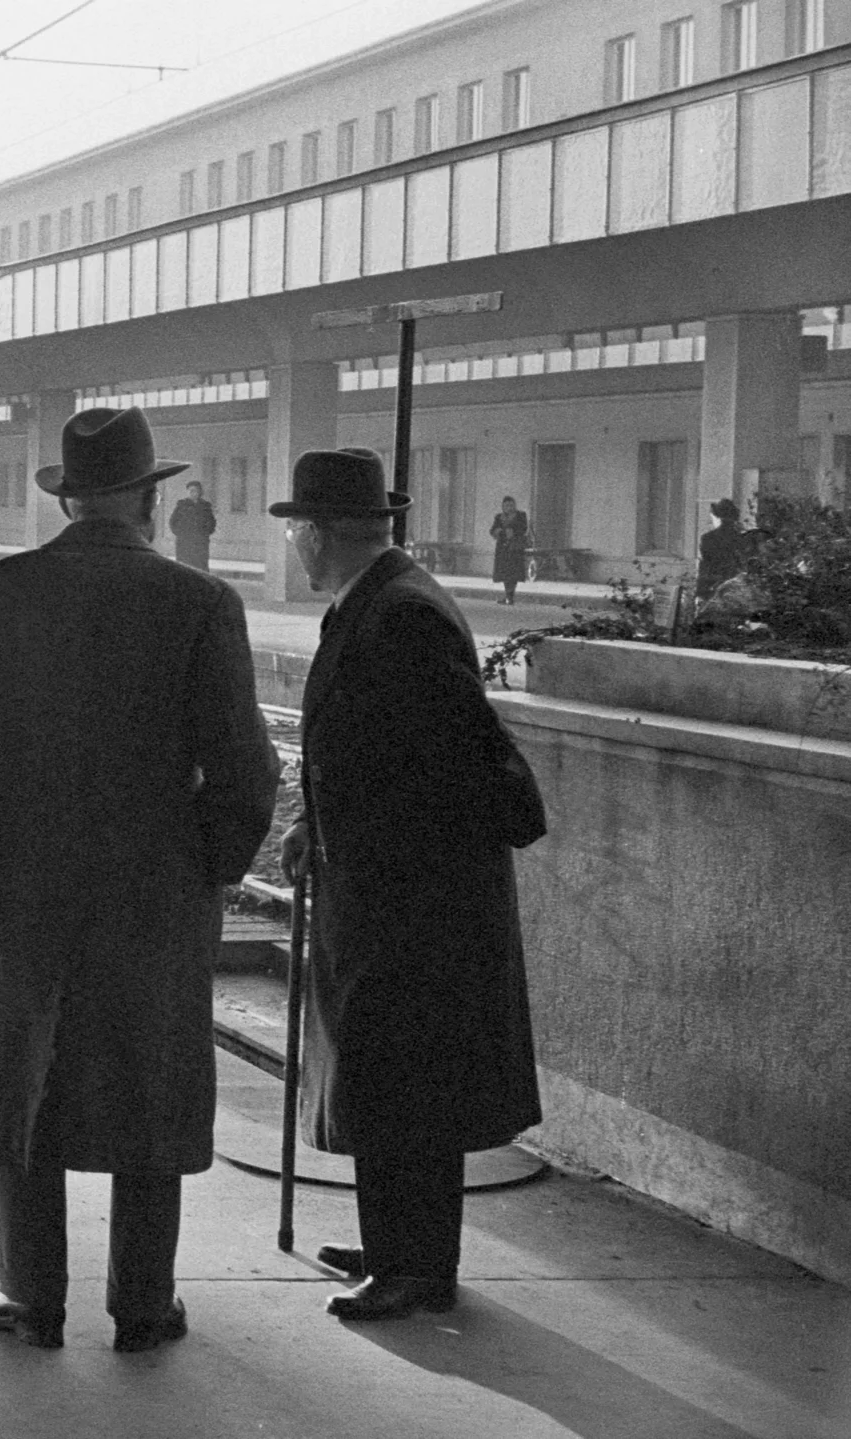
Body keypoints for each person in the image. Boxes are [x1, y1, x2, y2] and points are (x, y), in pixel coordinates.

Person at [0, 407, 279, 1353]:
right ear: (149, 499)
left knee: (27, 1074)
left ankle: (32, 1297)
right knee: (150, 1088)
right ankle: (143, 1304)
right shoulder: (201, 605)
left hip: (27, 890)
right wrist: (206, 867)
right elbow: (245, 770)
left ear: (69, 498)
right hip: (157, 893)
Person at [271, 447, 544, 1322]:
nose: (295, 548)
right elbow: (374, 749)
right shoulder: (379, 602)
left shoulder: (402, 617)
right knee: (387, 1075)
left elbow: (452, 763)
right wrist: (322, 825)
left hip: (415, 901)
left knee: (406, 1079)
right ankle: (396, 1243)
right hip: (387, 888)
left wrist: (368, 842)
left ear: (324, 533)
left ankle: (416, 1266)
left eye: (299, 530)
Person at [696, 496, 759, 600]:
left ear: (716, 516)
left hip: (715, 588)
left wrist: (700, 592)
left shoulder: (708, 539)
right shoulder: (744, 539)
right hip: (738, 588)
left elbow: (705, 567)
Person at [168, 479, 217, 572]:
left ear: (199, 492)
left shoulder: (205, 506)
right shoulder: (182, 505)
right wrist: (180, 534)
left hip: (200, 542)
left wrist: (205, 534)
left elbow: (211, 522)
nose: (192, 493)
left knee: (200, 566)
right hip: (184, 542)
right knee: (184, 566)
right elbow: (173, 522)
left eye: (194, 490)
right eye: (190, 490)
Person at [488, 494, 529, 605]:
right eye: (506, 505)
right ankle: (508, 596)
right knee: (505, 573)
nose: (509, 507)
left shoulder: (521, 515)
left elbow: (523, 528)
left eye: (511, 505)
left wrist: (513, 531)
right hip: (503, 549)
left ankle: (510, 596)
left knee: (513, 573)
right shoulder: (499, 517)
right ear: (503, 506)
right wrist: (499, 532)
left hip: (515, 548)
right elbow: (492, 530)